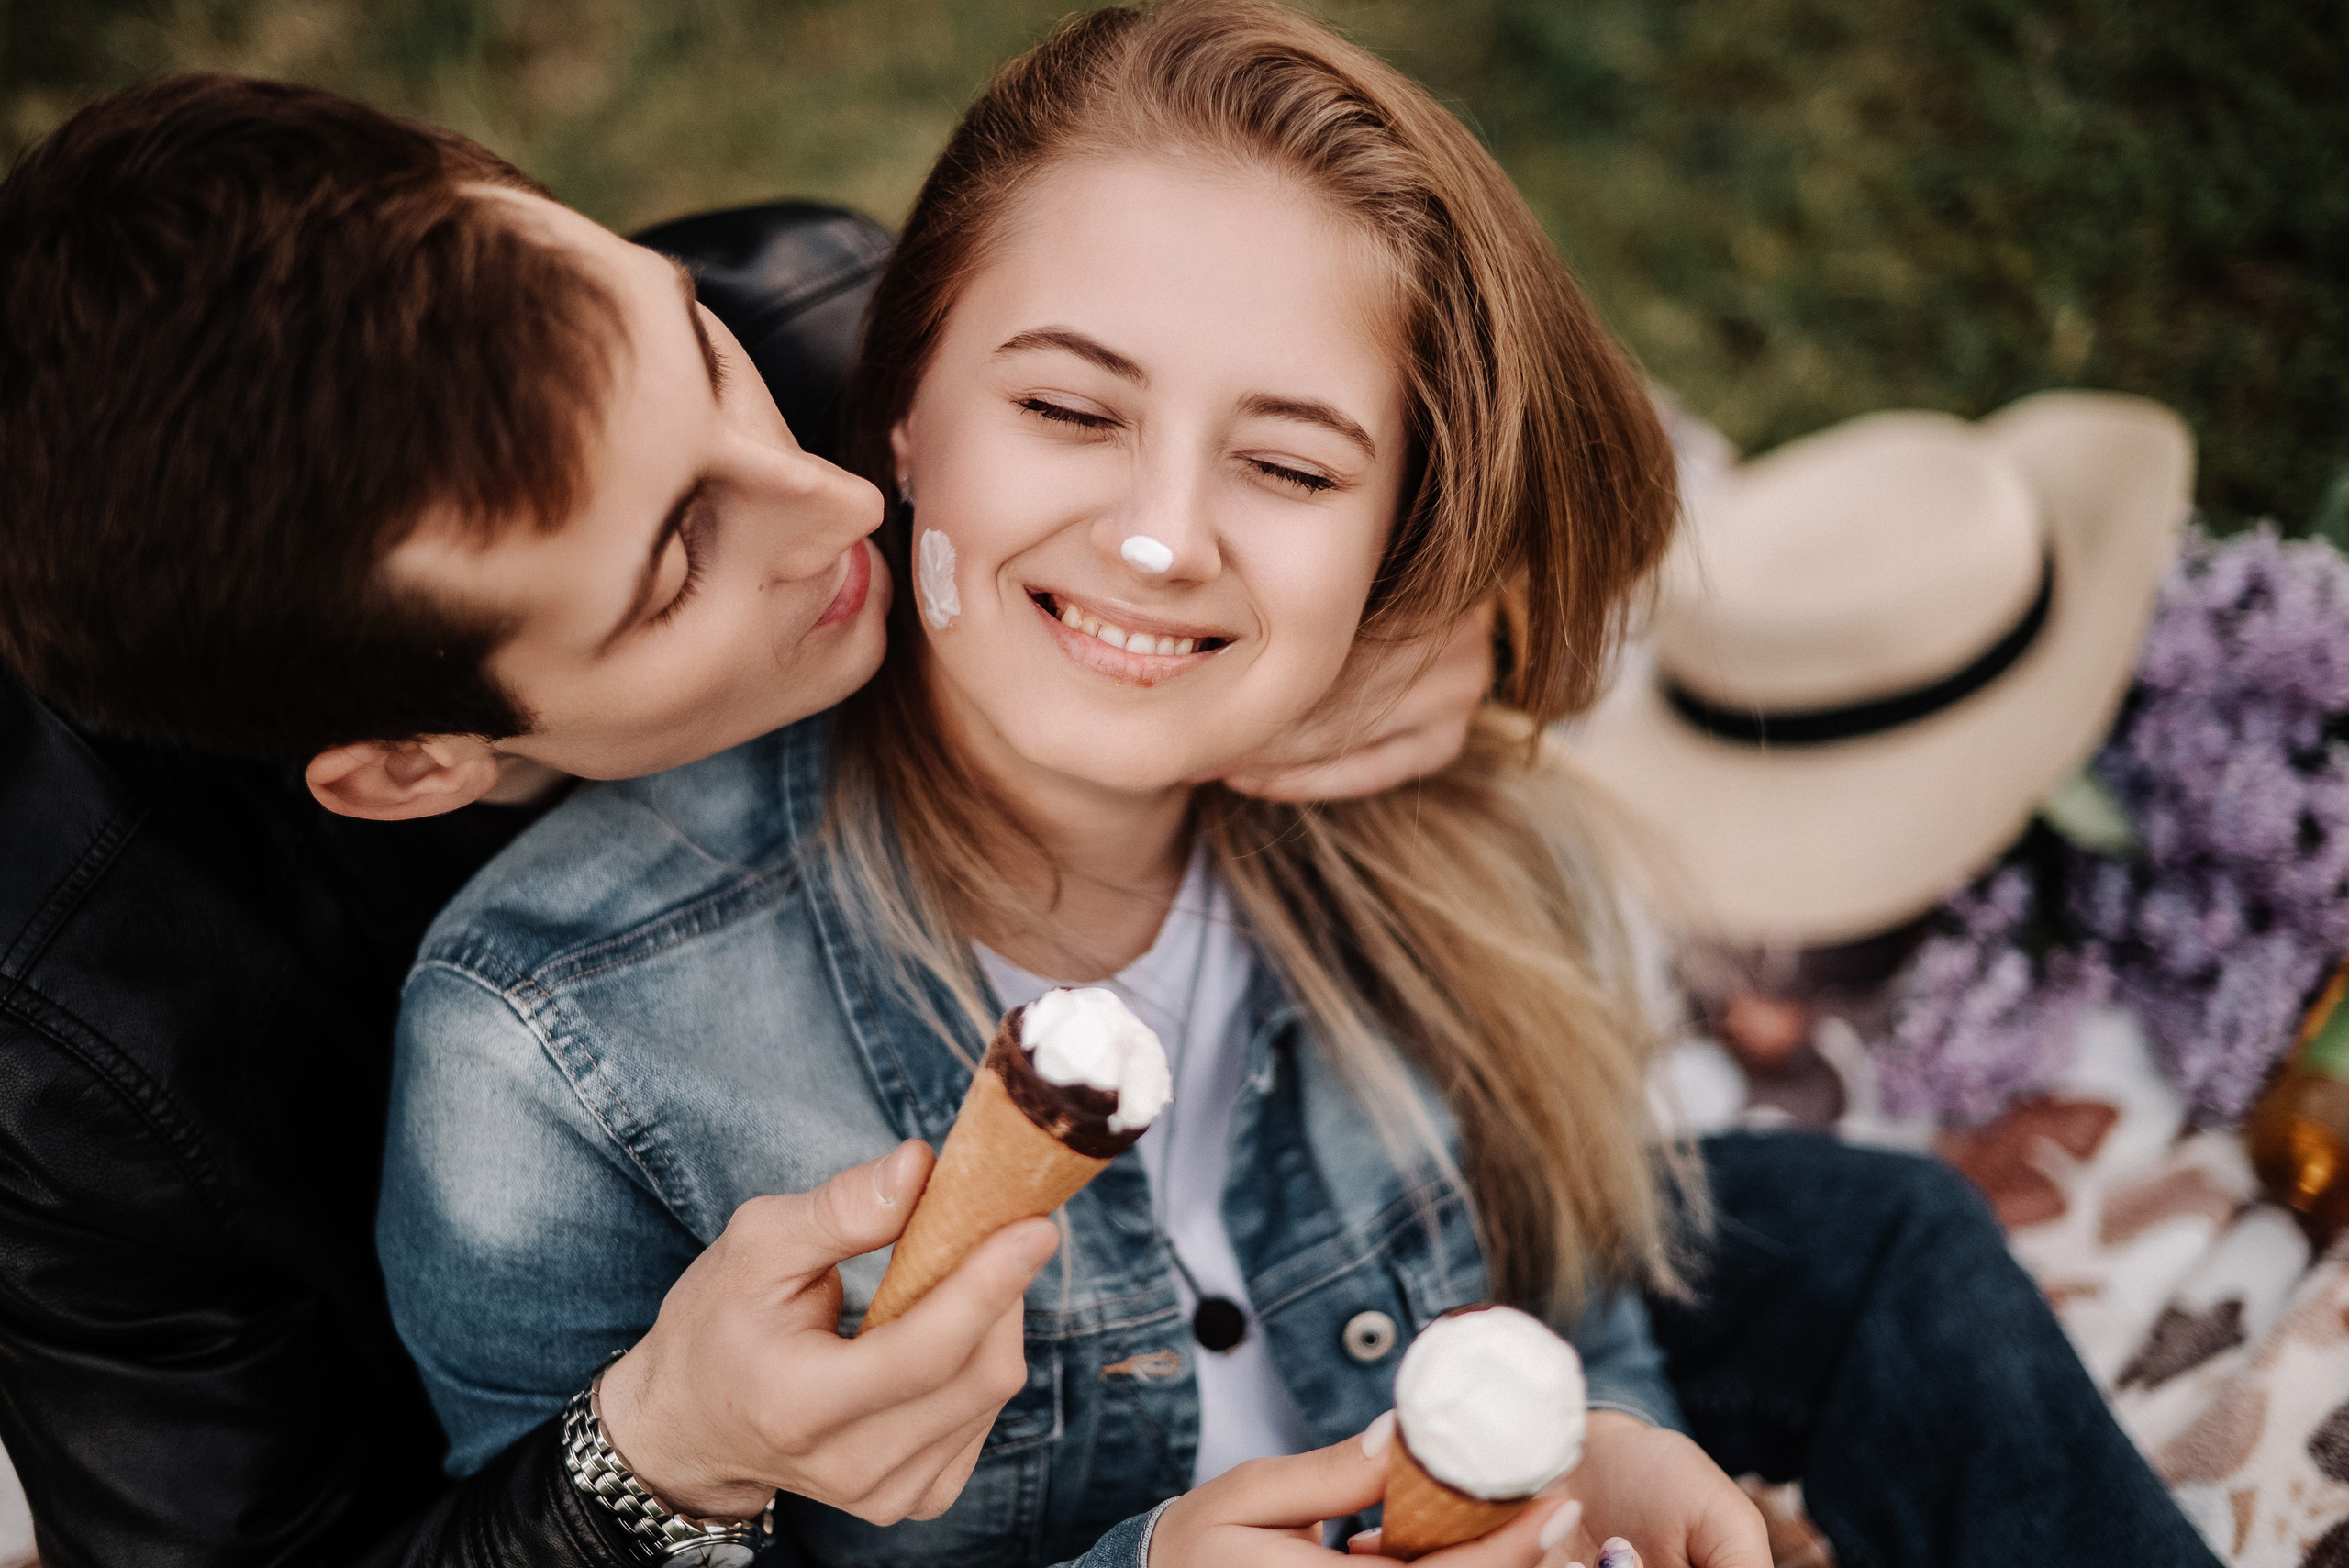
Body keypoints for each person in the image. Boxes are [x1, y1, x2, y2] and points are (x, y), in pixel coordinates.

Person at [382, 6, 2232, 1567]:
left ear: (1388, 540)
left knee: (1884, 1233)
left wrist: (1604, 1444)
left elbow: (1549, 1281)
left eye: (1286, 464)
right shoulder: (554, 1045)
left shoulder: (1435, 846)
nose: (1165, 539)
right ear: (904, 416)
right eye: (1069, 411)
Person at [0, 74, 1489, 1568]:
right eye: (675, 566)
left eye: (701, 362)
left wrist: (1465, 592)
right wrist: (659, 1451)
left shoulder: (810, 310)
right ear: (413, 767)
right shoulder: (77, 1058)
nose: (836, 504)